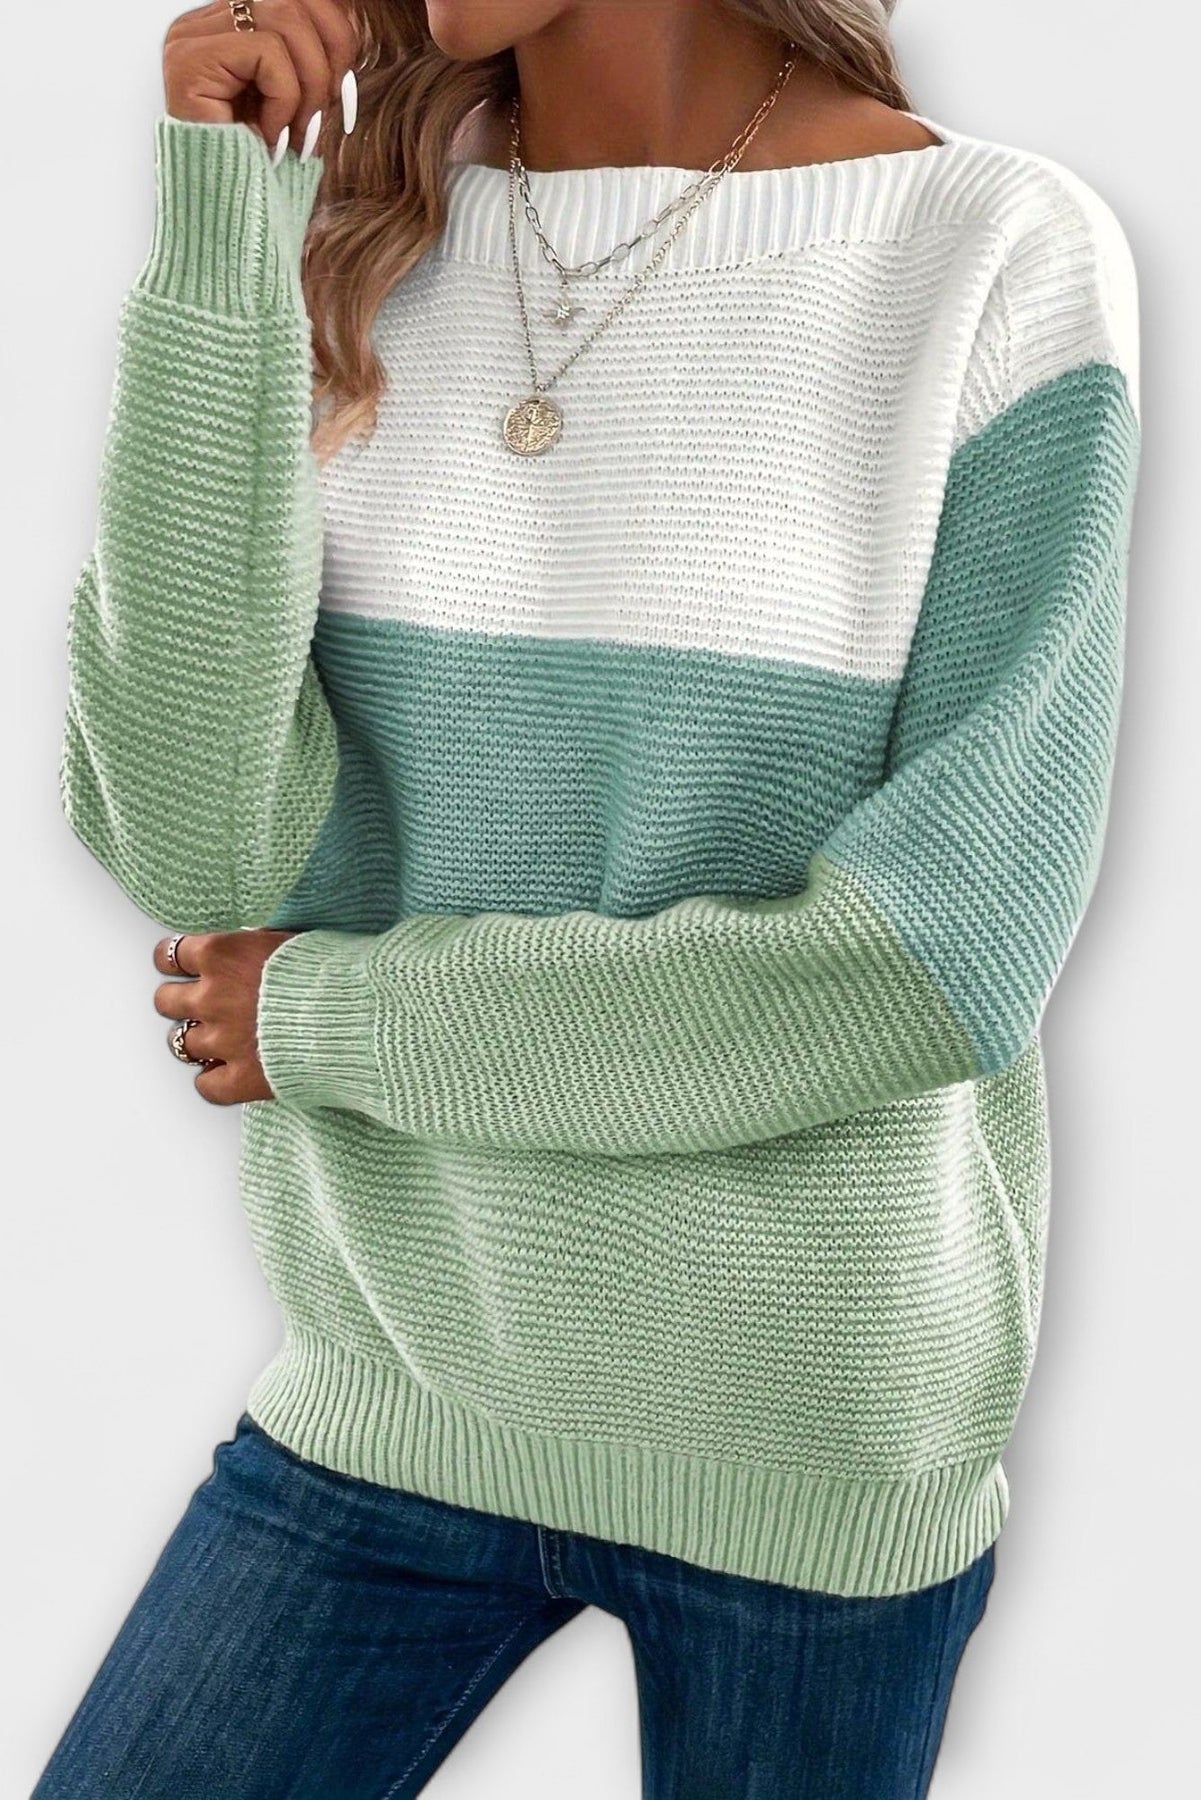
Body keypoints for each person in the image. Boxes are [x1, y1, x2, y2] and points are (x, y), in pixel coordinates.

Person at [36, 0, 1141, 1794]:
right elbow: (191, 839)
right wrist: (223, 227)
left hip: (805, 1442)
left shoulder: (990, 253)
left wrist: (334, 1016)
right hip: (392, 1383)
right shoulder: (351, 237)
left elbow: (935, 962)